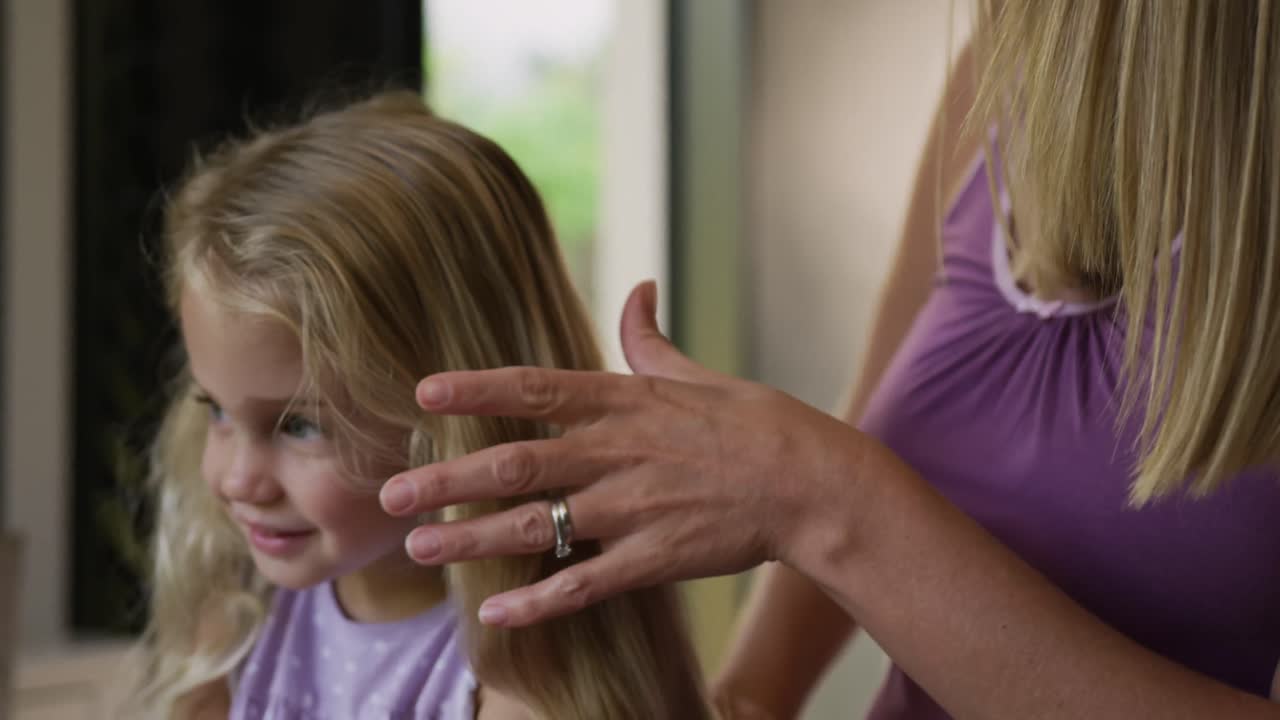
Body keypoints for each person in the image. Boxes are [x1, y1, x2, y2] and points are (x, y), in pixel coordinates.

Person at [378, 3, 1280, 719]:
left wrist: (825, 499)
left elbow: (843, 488)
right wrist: (749, 695)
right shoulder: (1014, 82)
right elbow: (884, 431)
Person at [126, 91, 711, 720]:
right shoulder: (243, 610)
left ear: (458, 420)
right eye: (215, 410)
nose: (238, 478)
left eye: (298, 425)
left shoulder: (520, 678)